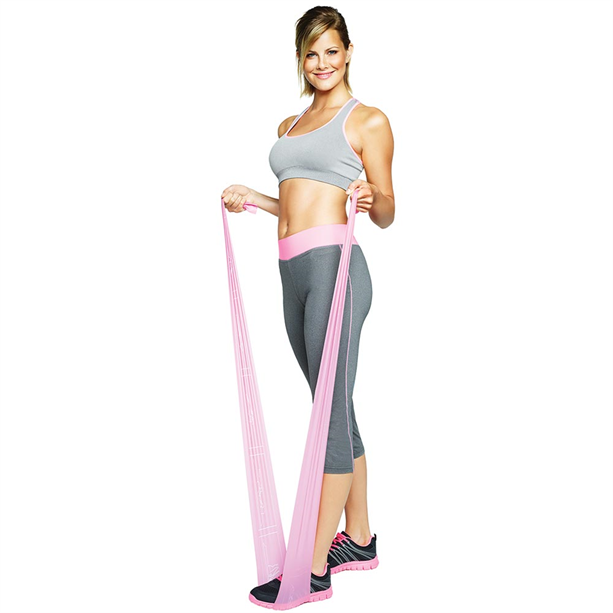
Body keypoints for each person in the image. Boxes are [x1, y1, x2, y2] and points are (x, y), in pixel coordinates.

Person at [221, 5, 395, 607]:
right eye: (311, 53)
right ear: (301, 58)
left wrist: (371, 197)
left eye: (331, 51)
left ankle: (312, 566)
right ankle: (360, 539)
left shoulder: (367, 120)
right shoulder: (290, 123)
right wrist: (256, 198)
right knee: (334, 406)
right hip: (291, 272)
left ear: (348, 52)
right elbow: (298, 200)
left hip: (335, 269)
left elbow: (388, 211)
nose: (322, 63)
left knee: (328, 416)